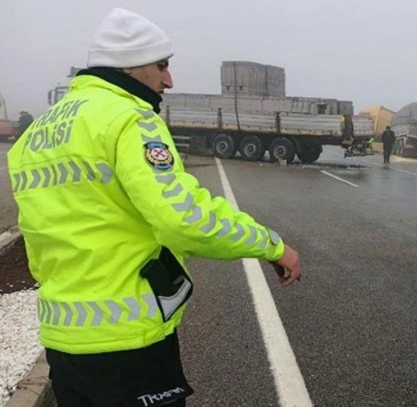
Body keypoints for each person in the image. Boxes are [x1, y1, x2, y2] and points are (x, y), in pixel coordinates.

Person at [8, 8, 301, 407]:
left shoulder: (36, 134)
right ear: (130, 65)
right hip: (128, 344)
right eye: (161, 65)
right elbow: (184, 217)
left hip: (64, 343)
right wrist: (273, 245)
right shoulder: (129, 119)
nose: (169, 79)